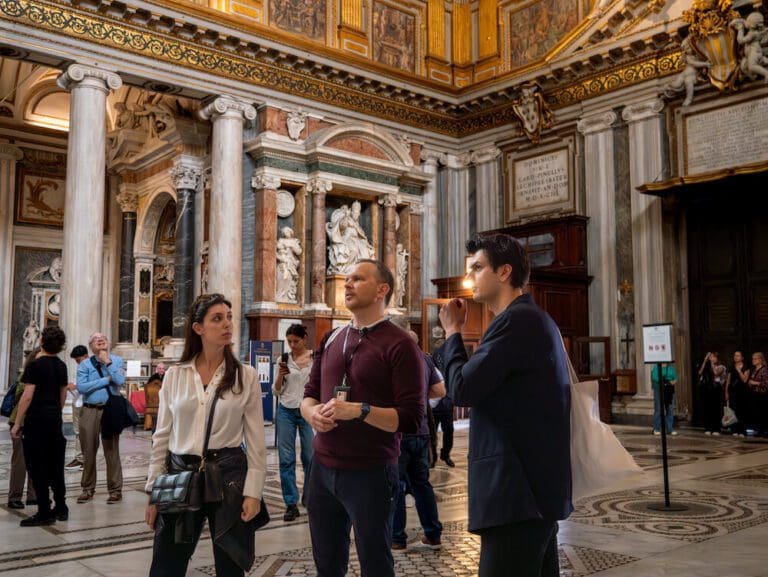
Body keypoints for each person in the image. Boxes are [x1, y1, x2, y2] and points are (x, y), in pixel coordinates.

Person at [435, 234, 572, 577]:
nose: (470, 277)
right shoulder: (534, 319)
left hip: (516, 497)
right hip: (532, 492)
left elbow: (462, 389)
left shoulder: (516, 321)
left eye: (478, 268)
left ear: (504, 271)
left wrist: (453, 332)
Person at [301, 259, 425, 577]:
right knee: (327, 565)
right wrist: (312, 414)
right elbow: (309, 394)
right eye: (348, 278)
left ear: (382, 289)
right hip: (322, 470)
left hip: (370, 473)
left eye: (358, 278)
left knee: (375, 563)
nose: (348, 283)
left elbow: (411, 418)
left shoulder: (400, 345)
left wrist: (359, 410)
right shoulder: (331, 338)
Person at [146, 293, 267, 577]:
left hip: (227, 475)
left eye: (228, 317)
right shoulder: (176, 376)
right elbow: (161, 437)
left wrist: (254, 492)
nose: (227, 324)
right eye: (217, 318)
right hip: (180, 474)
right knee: (166, 563)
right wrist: (153, 491)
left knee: (230, 564)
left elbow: (256, 441)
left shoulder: (245, 376)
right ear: (198, 328)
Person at [391, 330, 445, 552]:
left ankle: (397, 539)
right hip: (421, 431)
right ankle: (433, 535)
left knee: (396, 487)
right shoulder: (426, 359)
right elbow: (440, 390)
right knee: (422, 485)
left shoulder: (394, 358)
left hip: (400, 431)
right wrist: (421, 398)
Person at [10, 326, 69, 526]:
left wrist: (18, 423)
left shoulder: (35, 365)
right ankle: (61, 506)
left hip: (36, 420)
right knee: (56, 465)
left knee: (37, 466)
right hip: (54, 419)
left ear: (42, 341)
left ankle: (44, 511)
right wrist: (56, 412)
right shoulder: (62, 365)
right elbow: (63, 394)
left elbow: (27, 396)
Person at [76, 332, 126, 504]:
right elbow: (82, 387)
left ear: (108, 342)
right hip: (90, 410)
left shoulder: (117, 361)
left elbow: (119, 380)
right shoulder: (85, 364)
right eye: (95, 339)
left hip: (110, 410)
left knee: (111, 451)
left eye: (103, 337)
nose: (100, 339)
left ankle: (115, 490)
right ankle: (87, 489)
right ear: (91, 346)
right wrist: (106, 380)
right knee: (88, 451)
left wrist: (107, 362)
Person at [273, 323, 314, 522]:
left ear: (304, 338)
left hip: (306, 410)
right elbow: (276, 390)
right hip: (286, 411)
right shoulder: (283, 359)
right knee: (286, 458)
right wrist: (280, 376)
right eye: (289, 341)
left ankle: (309, 497)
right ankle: (290, 503)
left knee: (309, 456)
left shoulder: (315, 359)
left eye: (295, 341)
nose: (292, 345)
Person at [6, 349, 39, 509]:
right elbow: (21, 395)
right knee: (20, 460)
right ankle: (14, 497)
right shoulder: (27, 374)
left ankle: (33, 495)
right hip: (21, 419)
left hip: (36, 421)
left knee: (36, 459)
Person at [65, 345, 89, 471]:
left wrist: (74, 386)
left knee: (84, 433)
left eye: (78, 360)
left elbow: (87, 386)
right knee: (78, 433)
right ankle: (80, 458)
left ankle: (85, 460)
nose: (77, 363)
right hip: (77, 402)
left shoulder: (91, 367)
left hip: (85, 404)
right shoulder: (82, 367)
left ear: (86, 356)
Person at [698, 352, 726, 435]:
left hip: (716, 388)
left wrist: (711, 363)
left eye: (713, 357)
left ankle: (716, 428)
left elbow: (716, 373)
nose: (712, 358)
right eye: (711, 357)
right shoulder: (707, 366)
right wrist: (704, 361)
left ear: (717, 358)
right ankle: (708, 427)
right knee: (707, 408)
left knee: (716, 409)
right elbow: (700, 372)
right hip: (707, 388)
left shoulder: (721, 367)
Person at [726, 351, 751, 438]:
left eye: (737, 355)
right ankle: (734, 430)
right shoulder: (731, 367)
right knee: (733, 410)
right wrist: (726, 392)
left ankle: (742, 430)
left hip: (742, 392)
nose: (735, 357)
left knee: (742, 411)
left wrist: (739, 371)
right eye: (734, 355)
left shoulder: (746, 367)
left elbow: (745, 380)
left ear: (742, 357)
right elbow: (728, 381)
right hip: (733, 391)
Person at [650, 362, 679, 436]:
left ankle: (670, 429)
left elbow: (675, 377)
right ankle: (656, 428)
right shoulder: (656, 366)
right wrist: (666, 381)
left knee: (670, 408)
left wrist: (672, 382)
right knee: (659, 409)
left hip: (669, 390)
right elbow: (654, 377)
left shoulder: (671, 367)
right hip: (659, 389)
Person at [431, 392, 455, 467]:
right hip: (432, 407)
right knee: (431, 434)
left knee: (449, 431)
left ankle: (445, 455)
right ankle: (433, 457)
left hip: (447, 404)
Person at [747, 352, 768, 436]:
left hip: (762, 395)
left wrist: (754, 383)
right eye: (752, 358)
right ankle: (759, 430)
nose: (753, 360)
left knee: (763, 413)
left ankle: (764, 431)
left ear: (760, 360)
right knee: (757, 413)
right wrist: (750, 383)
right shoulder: (754, 370)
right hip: (754, 395)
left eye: (755, 359)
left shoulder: (764, 370)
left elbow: (766, 383)